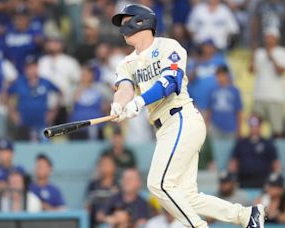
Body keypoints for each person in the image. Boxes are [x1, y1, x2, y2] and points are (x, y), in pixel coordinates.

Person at [109, 4, 265, 228]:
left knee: (158, 185)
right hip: (164, 129)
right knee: (186, 196)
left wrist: (140, 101)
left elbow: (170, 82)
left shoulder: (168, 46)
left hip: (181, 118)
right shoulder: (126, 63)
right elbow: (124, 88)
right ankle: (246, 215)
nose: (122, 27)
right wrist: (118, 105)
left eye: (126, 21)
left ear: (141, 21)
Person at [251, 26, 285, 138]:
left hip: (276, 96)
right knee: (255, 125)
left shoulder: (284, 52)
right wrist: (253, 55)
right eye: (267, 37)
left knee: (277, 129)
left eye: (271, 37)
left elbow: (280, 71)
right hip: (260, 95)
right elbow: (252, 70)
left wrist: (272, 58)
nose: (269, 39)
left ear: (276, 38)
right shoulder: (259, 52)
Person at [7, 56, 60, 141]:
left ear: (37, 67)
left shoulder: (45, 82)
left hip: (42, 123)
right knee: (26, 149)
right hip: (24, 123)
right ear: (25, 69)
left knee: (45, 147)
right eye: (29, 67)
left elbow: (58, 94)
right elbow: (9, 96)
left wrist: (53, 113)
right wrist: (13, 114)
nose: (31, 70)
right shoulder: (19, 82)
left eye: (34, 67)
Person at [229, 115, 282, 188]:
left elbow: (275, 164)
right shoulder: (241, 143)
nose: (254, 128)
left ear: (260, 126)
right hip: (244, 180)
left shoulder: (268, 143)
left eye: (256, 125)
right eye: (251, 125)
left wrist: (276, 180)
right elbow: (233, 163)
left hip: (264, 181)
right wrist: (232, 179)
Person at [38, 35, 81, 125]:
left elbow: (78, 82)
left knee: (65, 131)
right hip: (45, 104)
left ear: (62, 45)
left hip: (65, 104)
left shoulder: (70, 62)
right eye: (50, 42)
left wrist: (73, 99)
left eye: (55, 42)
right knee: (46, 133)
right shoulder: (42, 61)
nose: (52, 45)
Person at [69, 65, 111, 140]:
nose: (84, 76)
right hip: (77, 127)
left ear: (91, 75)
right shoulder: (74, 89)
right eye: (82, 74)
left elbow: (111, 101)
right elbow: (68, 104)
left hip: (96, 126)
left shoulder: (100, 88)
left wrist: (106, 106)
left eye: (86, 74)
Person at [0, 139, 26, 209]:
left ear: (11, 153)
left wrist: (1, 185)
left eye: (5, 151)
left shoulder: (18, 169)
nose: (1, 154)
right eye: (0, 151)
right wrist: (5, 186)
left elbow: (22, 187)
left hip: (14, 205)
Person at [206, 65, 243, 139]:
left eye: (222, 75)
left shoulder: (234, 91)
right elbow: (209, 110)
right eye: (218, 75)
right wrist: (207, 126)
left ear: (227, 75)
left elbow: (238, 111)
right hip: (215, 126)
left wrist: (239, 129)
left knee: (229, 149)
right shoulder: (212, 90)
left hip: (230, 127)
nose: (220, 78)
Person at [3, 6, 43, 73]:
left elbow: (41, 45)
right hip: (12, 71)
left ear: (28, 19)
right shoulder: (9, 34)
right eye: (17, 18)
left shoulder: (35, 32)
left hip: (30, 72)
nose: (19, 21)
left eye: (23, 18)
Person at [86, 153, 120, 228]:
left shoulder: (118, 186)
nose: (104, 167)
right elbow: (88, 206)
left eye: (107, 164)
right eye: (102, 164)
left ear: (114, 167)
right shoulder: (93, 185)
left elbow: (120, 208)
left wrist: (105, 218)